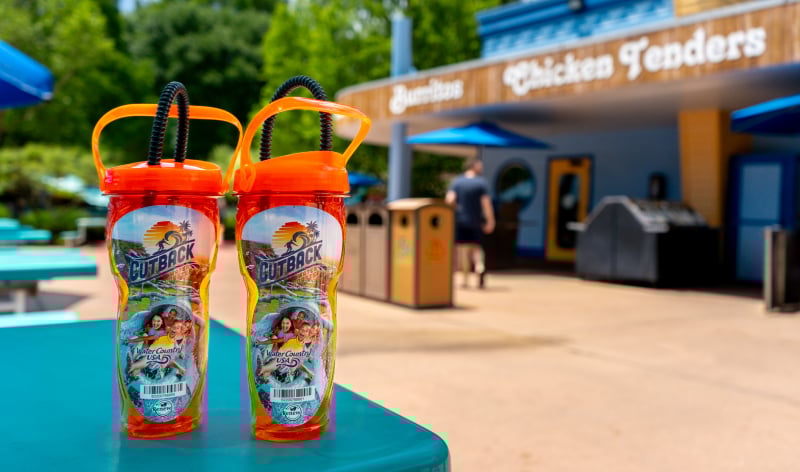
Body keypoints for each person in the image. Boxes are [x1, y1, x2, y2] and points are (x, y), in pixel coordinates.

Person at [446, 157, 495, 289]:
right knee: (477, 248)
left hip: (460, 220)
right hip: (476, 221)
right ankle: (480, 267)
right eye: (480, 165)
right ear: (474, 166)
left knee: (462, 250)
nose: (482, 167)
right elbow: (486, 203)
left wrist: (457, 209)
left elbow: (450, 200)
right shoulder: (481, 183)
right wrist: (490, 221)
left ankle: (465, 278)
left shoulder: (457, 182)